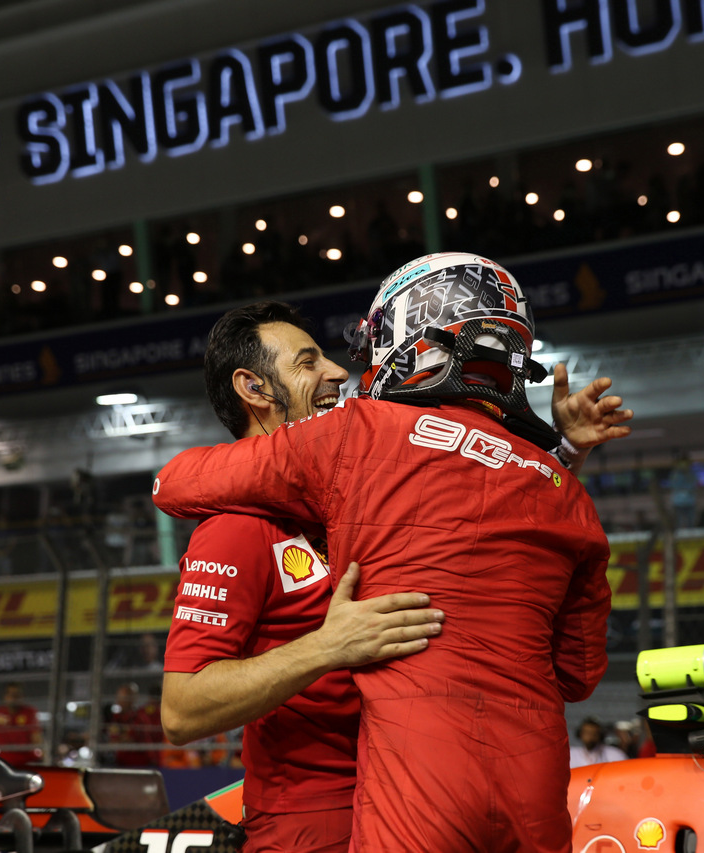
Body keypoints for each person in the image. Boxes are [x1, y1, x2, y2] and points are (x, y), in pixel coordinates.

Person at [155, 253, 627, 852]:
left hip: (405, 805)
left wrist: (550, 455)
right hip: (316, 827)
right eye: (308, 362)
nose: (337, 373)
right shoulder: (239, 527)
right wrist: (328, 647)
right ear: (253, 388)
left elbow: (483, 507)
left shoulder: (362, 469)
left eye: (332, 355)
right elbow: (180, 711)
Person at [0, 681, 43, 767]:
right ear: (5, 696)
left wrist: (44, 754)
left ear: (22, 696)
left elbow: (36, 736)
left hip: (27, 760)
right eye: (12, 695)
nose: (14, 698)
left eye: (17, 695)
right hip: (4, 761)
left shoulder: (29, 712)